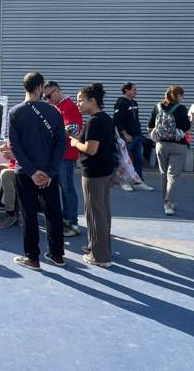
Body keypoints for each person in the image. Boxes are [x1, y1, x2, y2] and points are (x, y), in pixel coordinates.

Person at [7, 71, 67, 270]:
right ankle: (57, 255)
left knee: (29, 215)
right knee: (53, 213)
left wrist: (32, 171)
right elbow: (61, 144)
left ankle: (33, 258)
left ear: (25, 87)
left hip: (25, 173)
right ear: (41, 87)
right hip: (49, 173)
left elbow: (15, 146)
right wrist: (49, 172)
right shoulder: (55, 112)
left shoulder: (15, 112)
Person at [70, 83, 117, 268]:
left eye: (81, 100)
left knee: (95, 213)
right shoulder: (106, 118)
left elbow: (91, 149)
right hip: (105, 171)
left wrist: (75, 143)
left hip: (94, 173)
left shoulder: (94, 121)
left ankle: (100, 256)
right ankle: (99, 247)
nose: (78, 104)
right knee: (103, 211)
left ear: (93, 101)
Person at [43, 81, 83, 237]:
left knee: (67, 189)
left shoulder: (68, 106)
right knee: (64, 188)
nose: (47, 99)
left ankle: (72, 223)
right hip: (60, 154)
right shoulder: (59, 106)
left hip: (65, 154)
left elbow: (73, 129)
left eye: (49, 95)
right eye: (45, 96)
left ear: (57, 91)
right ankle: (67, 218)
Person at [148, 85, 193, 216]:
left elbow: (150, 127)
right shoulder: (181, 109)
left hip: (161, 145)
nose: (183, 98)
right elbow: (187, 129)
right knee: (172, 175)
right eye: (182, 95)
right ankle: (168, 204)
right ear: (178, 96)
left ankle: (165, 201)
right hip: (178, 145)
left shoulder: (157, 107)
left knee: (163, 174)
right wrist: (192, 117)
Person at [113, 82, 151, 190]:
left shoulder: (134, 103)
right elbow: (116, 120)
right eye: (134, 89)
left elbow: (135, 120)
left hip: (137, 137)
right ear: (126, 90)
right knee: (126, 160)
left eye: (135, 89)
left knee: (138, 160)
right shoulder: (120, 102)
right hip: (127, 137)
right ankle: (125, 182)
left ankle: (138, 181)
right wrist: (125, 134)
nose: (136, 91)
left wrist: (140, 134)